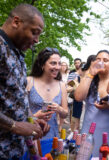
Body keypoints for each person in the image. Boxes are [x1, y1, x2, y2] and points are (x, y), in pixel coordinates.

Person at [0, 4, 50, 159]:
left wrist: (31, 120)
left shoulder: (16, 52)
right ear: (16, 22)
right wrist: (15, 126)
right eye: (34, 33)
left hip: (15, 151)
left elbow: (13, 97)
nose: (37, 40)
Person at [74, 50, 109, 157]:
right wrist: (90, 74)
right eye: (98, 60)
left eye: (105, 60)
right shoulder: (89, 78)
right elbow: (78, 97)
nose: (101, 62)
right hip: (89, 130)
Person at [27, 48, 68, 155]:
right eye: (53, 63)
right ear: (42, 64)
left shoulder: (62, 85)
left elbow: (65, 114)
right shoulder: (29, 81)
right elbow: (19, 112)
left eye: (59, 63)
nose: (58, 67)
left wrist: (58, 109)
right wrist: (35, 116)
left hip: (53, 136)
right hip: (32, 134)